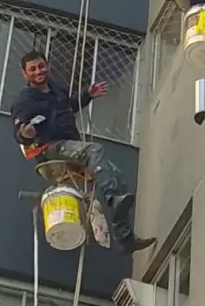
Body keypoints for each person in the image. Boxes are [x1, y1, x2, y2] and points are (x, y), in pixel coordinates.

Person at [11, 50, 156, 254]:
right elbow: (19, 131)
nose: (38, 72)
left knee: (115, 176)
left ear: (47, 65)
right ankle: (113, 198)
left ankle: (125, 237)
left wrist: (87, 95)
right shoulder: (24, 100)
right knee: (94, 150)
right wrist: (25, 133)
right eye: (32, 69)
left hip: (69, 146)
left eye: (41, 66)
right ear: (25, 74)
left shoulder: (55, 89)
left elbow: (69, 106)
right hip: (50, 149)